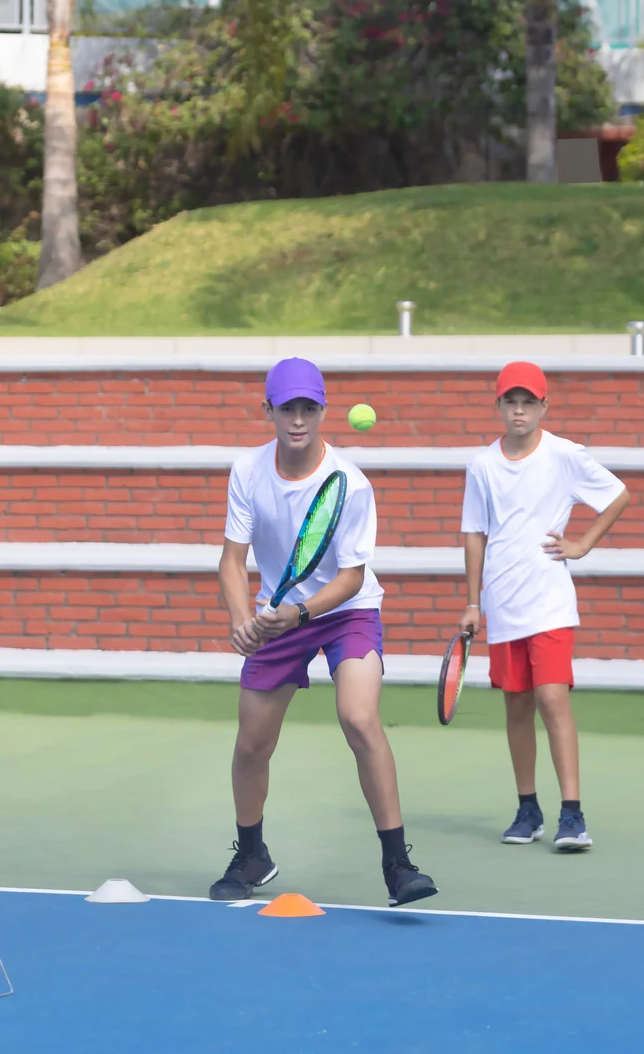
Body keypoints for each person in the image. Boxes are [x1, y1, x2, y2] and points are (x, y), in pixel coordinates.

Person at [209, 357, 438, 907]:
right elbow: (231, 561)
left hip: (346, 610)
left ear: (322, 412)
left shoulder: (350, 485)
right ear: (268, 410)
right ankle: (252, 854)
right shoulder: (247, 471)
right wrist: (243, 619)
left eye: (308, 408)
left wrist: (304, 613)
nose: (298, 419)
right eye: (287, 408)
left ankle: (397, 864)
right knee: (251, 745)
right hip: (278, 614)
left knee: (359, 718)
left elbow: (353, 576)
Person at [459, 361, 630, 852]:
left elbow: (618, 496)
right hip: (503, 603)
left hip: (550, 602)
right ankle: (527, 808)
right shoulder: (482, 466)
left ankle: (572, 815)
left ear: (543, 407)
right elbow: (474, 534)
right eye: (510, 401)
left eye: (528, 402)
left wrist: (583, 545)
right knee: (517, 705)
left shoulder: (565, 455)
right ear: (498, 407)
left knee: (552, 699)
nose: (519, 410)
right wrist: (473, 602)